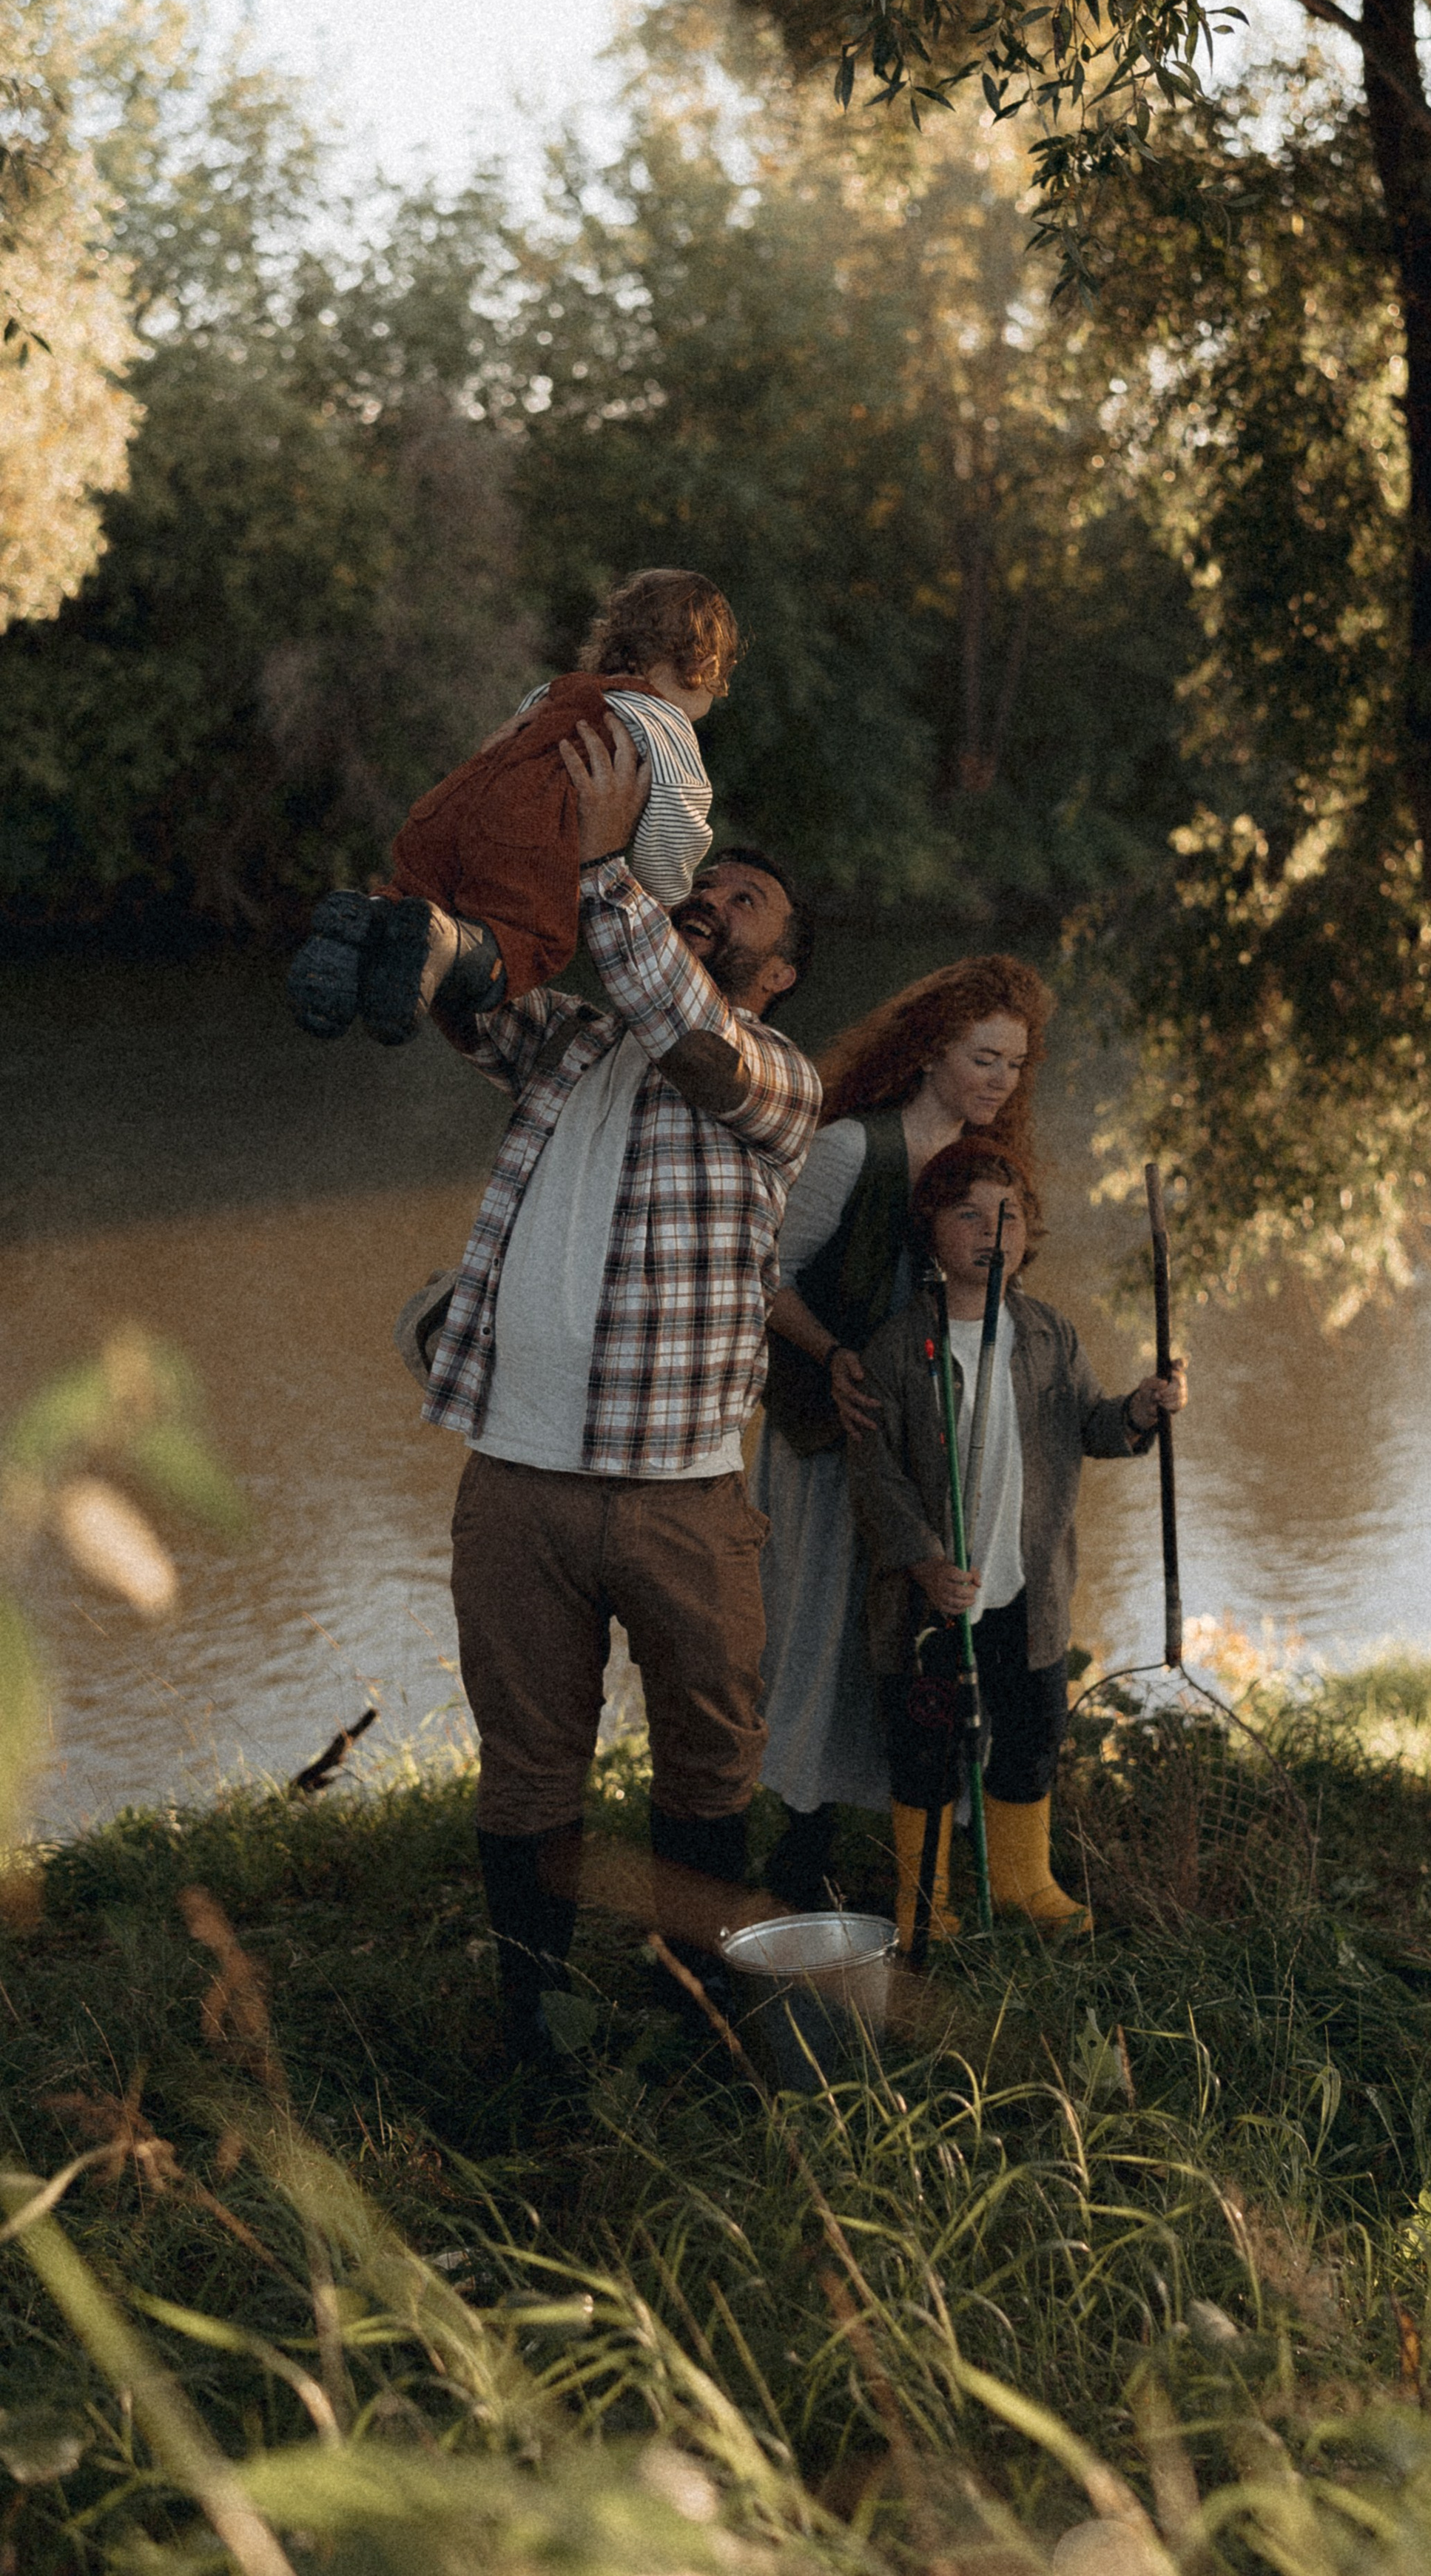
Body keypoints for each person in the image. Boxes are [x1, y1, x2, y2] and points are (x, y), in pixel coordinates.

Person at [420, 711, 821, 2068]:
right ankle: (534, 2020)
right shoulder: (579, 1044)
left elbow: (680, 1024)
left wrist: (610, 869)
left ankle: (698, 2008)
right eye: (700, 890)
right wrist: (416, 925)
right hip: (518, 1482)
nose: (709, 906)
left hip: (683, 1501)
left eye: (741, 904)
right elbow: (469, 996)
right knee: (529, 1767)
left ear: (777, 972)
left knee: (709, 1767)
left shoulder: (771, 1080)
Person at [751, 955, 1052, 1908]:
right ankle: (803, 1847)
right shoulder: (853, 1148)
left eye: (1016, 1064)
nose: (1001, 1082)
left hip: (939, 1450)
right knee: (829, 1630)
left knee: (918, 1636)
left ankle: (926, 1850)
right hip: (840, 1435)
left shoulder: (986, 1172)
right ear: (929, 1050)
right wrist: (836, 1357)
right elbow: (765, 1275)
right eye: (984, 1057)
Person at [849, 1137, 1188, 1947]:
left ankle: (1022, 1882)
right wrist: (926, 1561)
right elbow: (874, 1478)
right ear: (929, 1229)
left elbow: (1093, 1426)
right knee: (927, 1745)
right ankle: (922, 1904)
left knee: (1032, 1733)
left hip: (1025, 1590)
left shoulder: (1047, 1336)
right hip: (934, 1600)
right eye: (966, 1214)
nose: (989, 1231)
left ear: (1026, 1231)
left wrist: (1141, 1409)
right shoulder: (897, 1348)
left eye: (1006, 1215)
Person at [286, 567, 734, 1046]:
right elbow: (677, 822)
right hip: (527, 832)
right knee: (526, 936)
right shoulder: (665, 723)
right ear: (705, 663)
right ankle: (450, 945)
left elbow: (509, 752)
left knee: (422, 889)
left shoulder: (557, 692)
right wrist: (665, 885)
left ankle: (370, 916)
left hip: (462, 797)